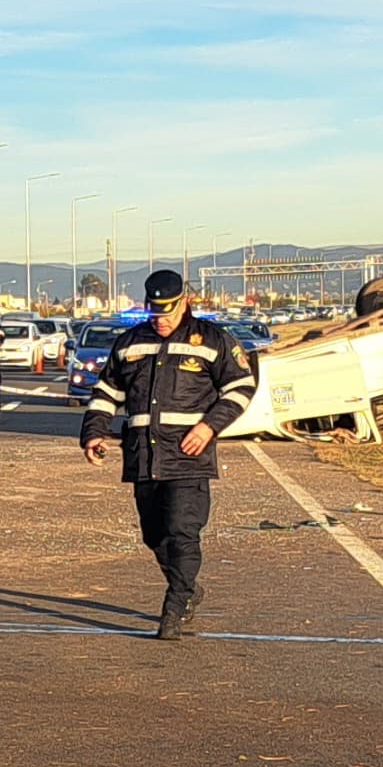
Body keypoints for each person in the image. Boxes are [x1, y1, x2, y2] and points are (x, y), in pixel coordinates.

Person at [80, 267, 255, 639]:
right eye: (154, 312)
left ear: (185, 303)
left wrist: (209, 426)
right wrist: (93, 432)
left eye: (168, 312)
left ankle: (176, 605)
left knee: (182, 531)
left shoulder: (212, 340)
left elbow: (241, 387)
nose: (160, 320)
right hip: (143, 456)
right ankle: (187, 585)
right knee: (154, 535)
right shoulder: (129, 342)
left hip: (189, 457)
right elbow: (107, 393)